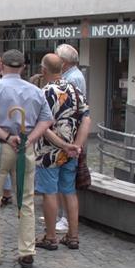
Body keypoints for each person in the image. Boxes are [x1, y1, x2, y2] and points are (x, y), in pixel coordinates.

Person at [0, 49, 53, 268]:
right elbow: (46, 120)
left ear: (2, 66)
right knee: (26, 200)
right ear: (23, 67)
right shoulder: (35, 91)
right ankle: (27, 251)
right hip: (24, 149)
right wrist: (29, 139)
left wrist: (7, 137)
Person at [34, 54, 91, 252]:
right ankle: (73, 236)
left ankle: (50, 237)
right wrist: (76, 145)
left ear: (44, 70)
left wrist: (62, 145)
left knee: (49, 192)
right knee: (69, 191)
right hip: (71, 152)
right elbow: (86, 119)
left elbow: (43, 126)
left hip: (49, 152)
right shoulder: (74, 90)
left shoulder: (44, 93)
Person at [53, 43, 87, 234]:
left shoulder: (73, 79)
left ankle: (66, 219)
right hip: (68, 137)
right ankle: (61, 216)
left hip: (68, 138)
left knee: (66, 182)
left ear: (63, 62)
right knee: (62, 181)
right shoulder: (71, 76)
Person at [0, 55, 13, 207]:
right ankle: (5, 192)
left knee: (1, 167)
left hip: (5, 135)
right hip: (3, 135)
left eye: (1, 63)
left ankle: (6, 193)